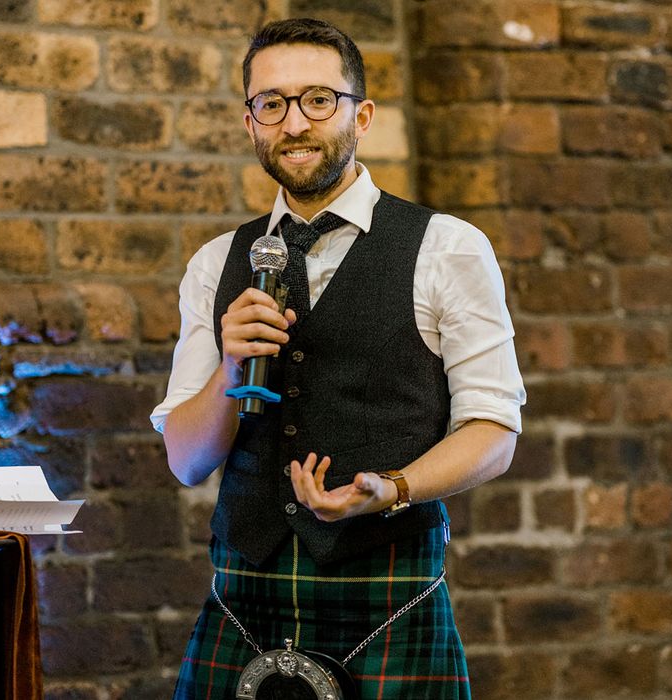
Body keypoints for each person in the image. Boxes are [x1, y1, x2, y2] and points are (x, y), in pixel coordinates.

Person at [151, 17, 525, 700]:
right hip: (246, 599)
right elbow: (186, 458)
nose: (294, 122)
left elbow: (493, 431)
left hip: (389, 599)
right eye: (272, 104)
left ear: (362, 116)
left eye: (318, 99)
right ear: (250, 123)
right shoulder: (218, 263)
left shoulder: (448, 247)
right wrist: (231, 370)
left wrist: (395, 487)